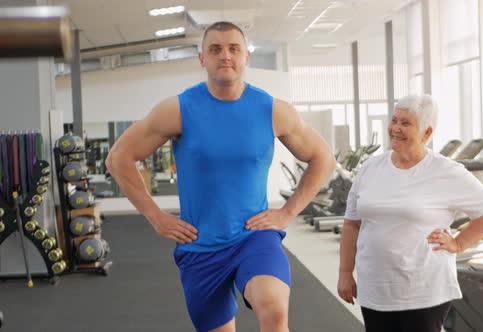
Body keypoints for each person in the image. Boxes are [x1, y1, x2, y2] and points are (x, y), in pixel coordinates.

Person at [106, 21, 335, 332]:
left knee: (274, 311)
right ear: (202, 58)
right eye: (215, 49)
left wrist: (288, 211)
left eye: (233, 49)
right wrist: (155, 216)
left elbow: (323, 157)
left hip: (254, 236)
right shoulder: (177, 109)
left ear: (246, 57)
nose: (225, 56)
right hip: (200, 244)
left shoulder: (273, 110)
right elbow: (119, 158)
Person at [337, 94, 483, 332]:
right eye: (394, 120)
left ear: (426, 133)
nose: (395, 128)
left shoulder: (446, 171)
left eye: (406, 123)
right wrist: (345, 272)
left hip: (424, 289)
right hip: (376, 287)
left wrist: (458, 243)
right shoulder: (370, 168)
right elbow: (352, 224)